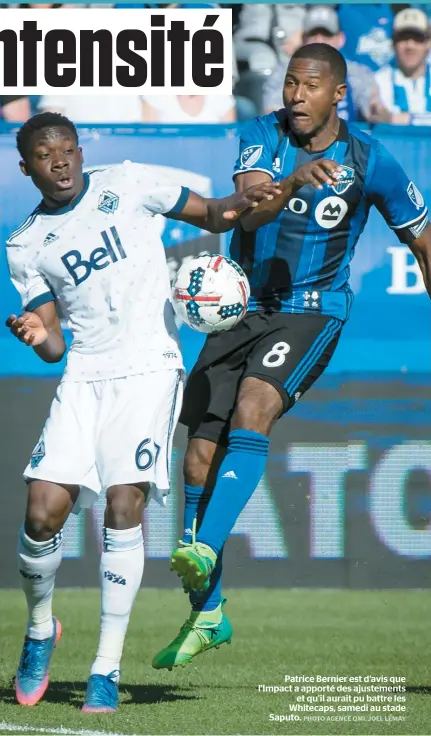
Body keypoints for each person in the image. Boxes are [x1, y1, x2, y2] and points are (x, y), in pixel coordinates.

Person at [152, 42, 431, 670]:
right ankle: (210, 614)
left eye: (309, 86)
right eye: (289, 84)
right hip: (244, 306)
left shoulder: (371, 157)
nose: (295, 96)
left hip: (313, 310)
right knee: (196, 460)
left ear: (338, 94)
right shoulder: (263, 134)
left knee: (255, 404)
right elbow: (247, 211)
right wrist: (292, 181)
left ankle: (204, 548)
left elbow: (421, 238)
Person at [5, 112, 279, 712]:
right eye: (45, 156)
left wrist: (243, 199)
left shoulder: (126, 182)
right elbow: (54, 345)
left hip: (150, 368)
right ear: (26, 167)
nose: (60, 163)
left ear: (81, 151)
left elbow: (210, 214)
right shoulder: (25, 243)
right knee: (42, 513)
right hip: (84, 377)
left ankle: (106, 665)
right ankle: (40, 629)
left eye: (67, 150)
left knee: (124, 503)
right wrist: (33, 332)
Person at [263, 6, 379, 123]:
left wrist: (377, 112)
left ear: (340, 39)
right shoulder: (285, 71)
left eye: (326, 34)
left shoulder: (358, 73)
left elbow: (374, 111)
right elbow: (272, 113)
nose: (319, 40)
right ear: (303, 38)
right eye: (313, 34)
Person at [372, 8, 431, 125]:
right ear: (393, 43)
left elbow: (390, 119)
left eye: (418, 38)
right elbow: (378, 117)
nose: (410, 46)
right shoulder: (379, 80)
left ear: (428, 43)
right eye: (403, 38)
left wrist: (403, 119)